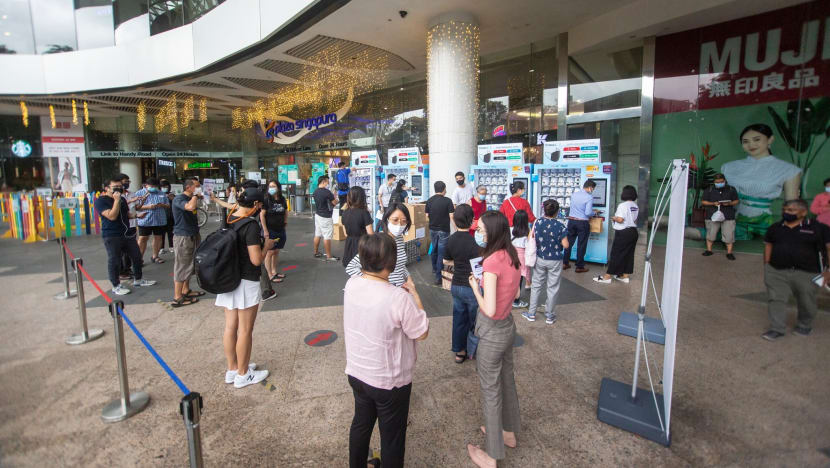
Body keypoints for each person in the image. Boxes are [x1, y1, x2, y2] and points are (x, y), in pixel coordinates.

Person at [344, 233, 429, 468]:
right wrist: (415, 294)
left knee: (361, 424)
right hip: (389, 382)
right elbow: (421, 331)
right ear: (392, 262)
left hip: (357, 372)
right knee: (392, 438)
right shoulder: (397, 297)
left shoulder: (352, 284)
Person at [467, 210, 521, 468]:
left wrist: (476, 288)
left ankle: (491, 455)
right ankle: (508, 433)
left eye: (483, 231)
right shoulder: (512, 255)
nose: (479, 234)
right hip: (509, 327)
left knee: (491, 391)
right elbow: (517, 291)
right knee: (506, 381)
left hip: (492, 330)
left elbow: (489, 309)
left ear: (493, 233)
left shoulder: (489, 262)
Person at [218, 187, 273, 388]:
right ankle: (243, 374)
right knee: (245, 330)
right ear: (256, 205)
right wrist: (267, 245)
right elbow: (256, 260)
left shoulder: (230, 219)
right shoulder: (250, 226)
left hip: (227, 278)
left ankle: (233, 368)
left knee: (230, 326)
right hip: (246, 280)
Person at [761, 199, 830, 341]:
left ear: (803, 212)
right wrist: (767, 265)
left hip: (809, 272)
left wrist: (827, 271)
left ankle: (805, 325)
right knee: (776, 298)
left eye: (791, 210)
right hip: (776, 270)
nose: (786, 213)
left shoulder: (819, 228)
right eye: (785, 210)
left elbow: (829, 249)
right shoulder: (775, 228)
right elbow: (768, 245)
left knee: (806, 300)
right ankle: (777, 328)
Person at [721, 123, 802, 240]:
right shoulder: (729, 167)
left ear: (770, 140)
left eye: (756, 139)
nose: (751, 145)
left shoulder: (789, 170)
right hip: (729, 220)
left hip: (762, 223)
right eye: (745, 141)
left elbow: (791, 205)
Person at [93, 177, 156, 295]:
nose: (119, 189)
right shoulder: (101, 201)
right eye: (115, 187)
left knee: (137, 256)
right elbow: (111, 216)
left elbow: (126, 214)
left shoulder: (122, 199)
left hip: (127, 233)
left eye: (120, 187)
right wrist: (116, 201)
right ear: (106, 188)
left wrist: (137, 216)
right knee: (115, 260)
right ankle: (116, 285)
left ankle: (138, 279)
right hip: (112, 235)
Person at [443, 204, 480, 364]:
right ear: (472, 221)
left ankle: (460, 351)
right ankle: (473, 350)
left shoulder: (450, 240)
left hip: (456, 285)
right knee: (474, 320)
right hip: (471, 287)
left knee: (459, 319)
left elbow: (445, 261)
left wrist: (458, 262)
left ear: (455, 221)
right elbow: (479, 266)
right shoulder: (475, 243)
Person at [523, 199, 569, 324]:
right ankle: (549, 315)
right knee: (552, 287)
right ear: (557, 212)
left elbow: (531, 238)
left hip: (540, 258)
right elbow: (565, 245)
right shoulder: (560, 226)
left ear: (544, 210)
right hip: (555, 260)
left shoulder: (537, 223)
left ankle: (531, 313)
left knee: (536, 285)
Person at [346, 203, 411, 287]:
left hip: (400, 288)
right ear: (386, 219)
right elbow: (351, 267)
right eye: (395, 220)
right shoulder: (378, 241)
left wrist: (408, 278)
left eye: (404, 221)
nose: (399, 225)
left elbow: (400, 265)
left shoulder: (399, 238)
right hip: (385, 293)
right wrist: (375, 283)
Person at [171, 177, 205, 308]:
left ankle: (186, 290)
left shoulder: (191, 198)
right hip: (183, 237)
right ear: (188, 187)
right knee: (182, 265)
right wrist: (196, 196)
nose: (198, 187)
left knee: (190, 264)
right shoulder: (179, 199)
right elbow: (190, 207)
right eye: (196, 186)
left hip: (193, 234)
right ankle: (177, 297)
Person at [595, 185, 640, 284]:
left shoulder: (622, 205)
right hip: (633, 232)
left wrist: (614, 218)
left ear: (624, 193)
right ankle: (624, 276)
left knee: (616, 254)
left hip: (623, 232)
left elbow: (620, 219)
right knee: (629, 254)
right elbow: (634, 219)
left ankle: (607, 277)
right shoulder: (635, 205)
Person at [701, 174, 740, 260]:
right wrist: (713, 203)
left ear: (725, 181)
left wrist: (729, 203)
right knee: (711, 234)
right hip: (712, 215)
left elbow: (736, 201)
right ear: (714, 182)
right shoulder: (709, 190)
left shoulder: (731, 189)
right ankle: (709, 250)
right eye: (717, 182)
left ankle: (729, 253)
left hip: (728, 215)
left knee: (729, 235)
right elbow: (703, 201)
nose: (719, 183)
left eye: (721, 182)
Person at [426, 181, 455, 286]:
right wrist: (457, 229)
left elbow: (426, 216)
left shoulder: (429, 201)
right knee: (441, 253)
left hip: (432, 229)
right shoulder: (448, 201)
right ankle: (439, 277)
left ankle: (434, 268)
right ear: (444, 189)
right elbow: (452, 217)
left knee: (434, 249)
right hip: (444, 230)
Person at [563, 180, 596, 273]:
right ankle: (579, 266)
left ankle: (565, 263)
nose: (592, 190)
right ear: (590, 187)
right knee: (581, 245)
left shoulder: (574, 194)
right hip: (582, 223)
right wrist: (594, 213)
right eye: (593, 188)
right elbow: (588, 212)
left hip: (571, 221)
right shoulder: (589, 197)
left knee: (569, 242)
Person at [134, 177, 169, 264]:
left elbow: (168, 205)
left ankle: (155, 256)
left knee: (158, 238)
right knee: (142, 239)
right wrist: (148, 207)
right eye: (151, 186)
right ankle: (139, 259)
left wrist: (162, 205)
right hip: (145, 220)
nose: (153, 187)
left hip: (159, 219)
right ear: (146, 185)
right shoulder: (139, 193)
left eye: (155, 186)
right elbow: (135, 207)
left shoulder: (161, 193)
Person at [260, 180, 288, 283]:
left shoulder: (282, 199)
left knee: (276, 251)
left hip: (280, 228)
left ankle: (274, 271)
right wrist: (265, 230)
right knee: (270, 251)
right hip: (270, 229)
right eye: (270, 186)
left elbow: (285, 211)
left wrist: (285, 221)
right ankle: (269, 275)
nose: (271, 188)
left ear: (278, 188)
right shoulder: (266, 199)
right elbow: (262, 215)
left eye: (273, 186)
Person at [341, 186, 374, 268]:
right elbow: (370, 234)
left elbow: (345, 233)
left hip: (349, 244)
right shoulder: (364, 213)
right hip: (362, 244)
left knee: (352, 268)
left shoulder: (345, 212)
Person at [312, 175, 340, 262]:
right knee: (327, 236)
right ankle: (329, 256)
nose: (328, 183)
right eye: (327, 182)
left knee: (317, 234)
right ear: (323, 182)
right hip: (326, 217)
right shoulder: (327, 192)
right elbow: (334, 203)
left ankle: (316, 252)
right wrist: (336, 198)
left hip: (318, 215)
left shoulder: (315, 191)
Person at [510, 210, 531, 309]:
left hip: (511, 256)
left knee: (511, 279)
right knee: (519, 280)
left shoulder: (510, 230)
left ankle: (509, 298)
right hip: (521, 259)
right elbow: (530, 246)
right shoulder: (527, 232)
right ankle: (516, 301)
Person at [159, 179, 175, 254]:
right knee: (161, 233)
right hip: (161, 217)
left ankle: (171, 246)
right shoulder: (158, 195)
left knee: (170, 232)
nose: (165, 187)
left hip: (170, 216)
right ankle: (161, 247)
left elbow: (175, 204)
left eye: (166, 186)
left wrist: (172, 198)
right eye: (163, 186)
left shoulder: (172, 194)